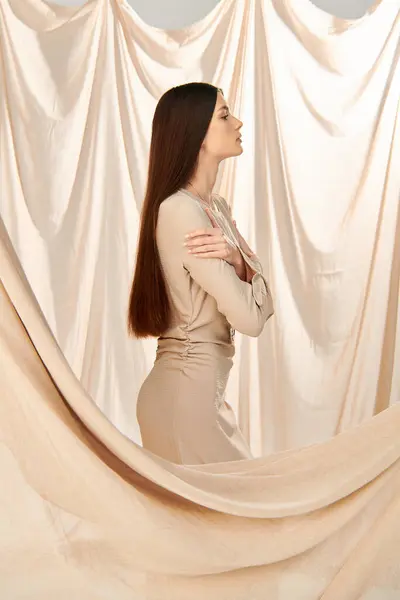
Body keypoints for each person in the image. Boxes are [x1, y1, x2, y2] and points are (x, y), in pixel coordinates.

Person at [127, 82, 274, 464]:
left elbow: (261, 305)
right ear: (196, 136)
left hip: (200, 396)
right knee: (240, 515)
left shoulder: (217, 209)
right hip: (186, 398)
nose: (237, 122)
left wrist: (239, 262)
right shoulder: (181, 211)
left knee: (233, 515)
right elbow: (251, 318)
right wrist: (249, 270)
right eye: (224, 115)